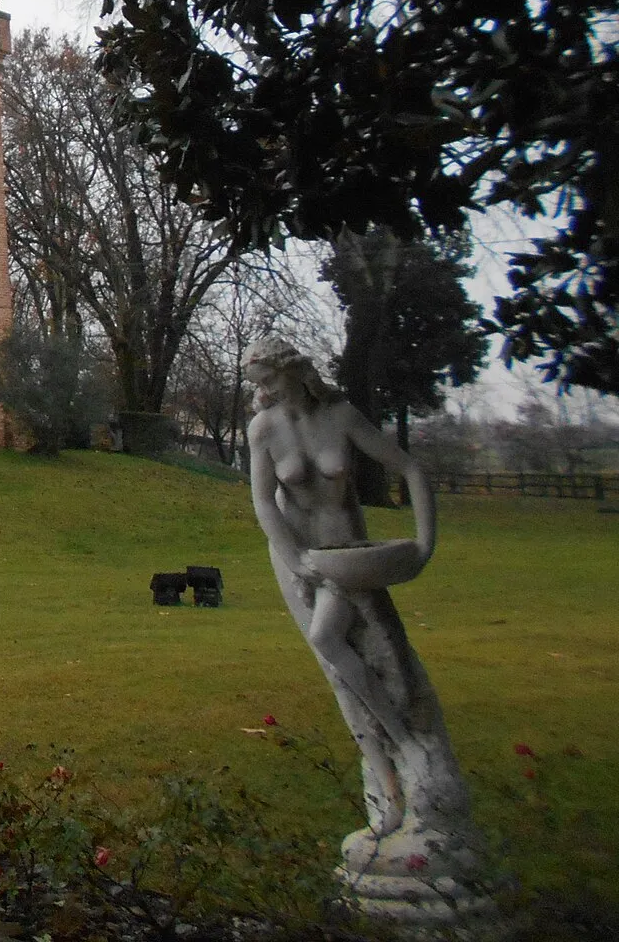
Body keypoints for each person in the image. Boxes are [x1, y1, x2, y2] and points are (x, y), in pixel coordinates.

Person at [244, 336, 481, 905]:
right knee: (334, 656)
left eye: (266, 379)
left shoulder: (342, 415)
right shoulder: (264, 429)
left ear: (291, 372)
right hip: (304, 560)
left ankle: (409, 772)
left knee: (384, 660)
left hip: (353, 555)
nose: (261, 391)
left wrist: (423, 544)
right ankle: (388, 777)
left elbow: (409, 468)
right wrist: (295, 558)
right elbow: (262, 501)